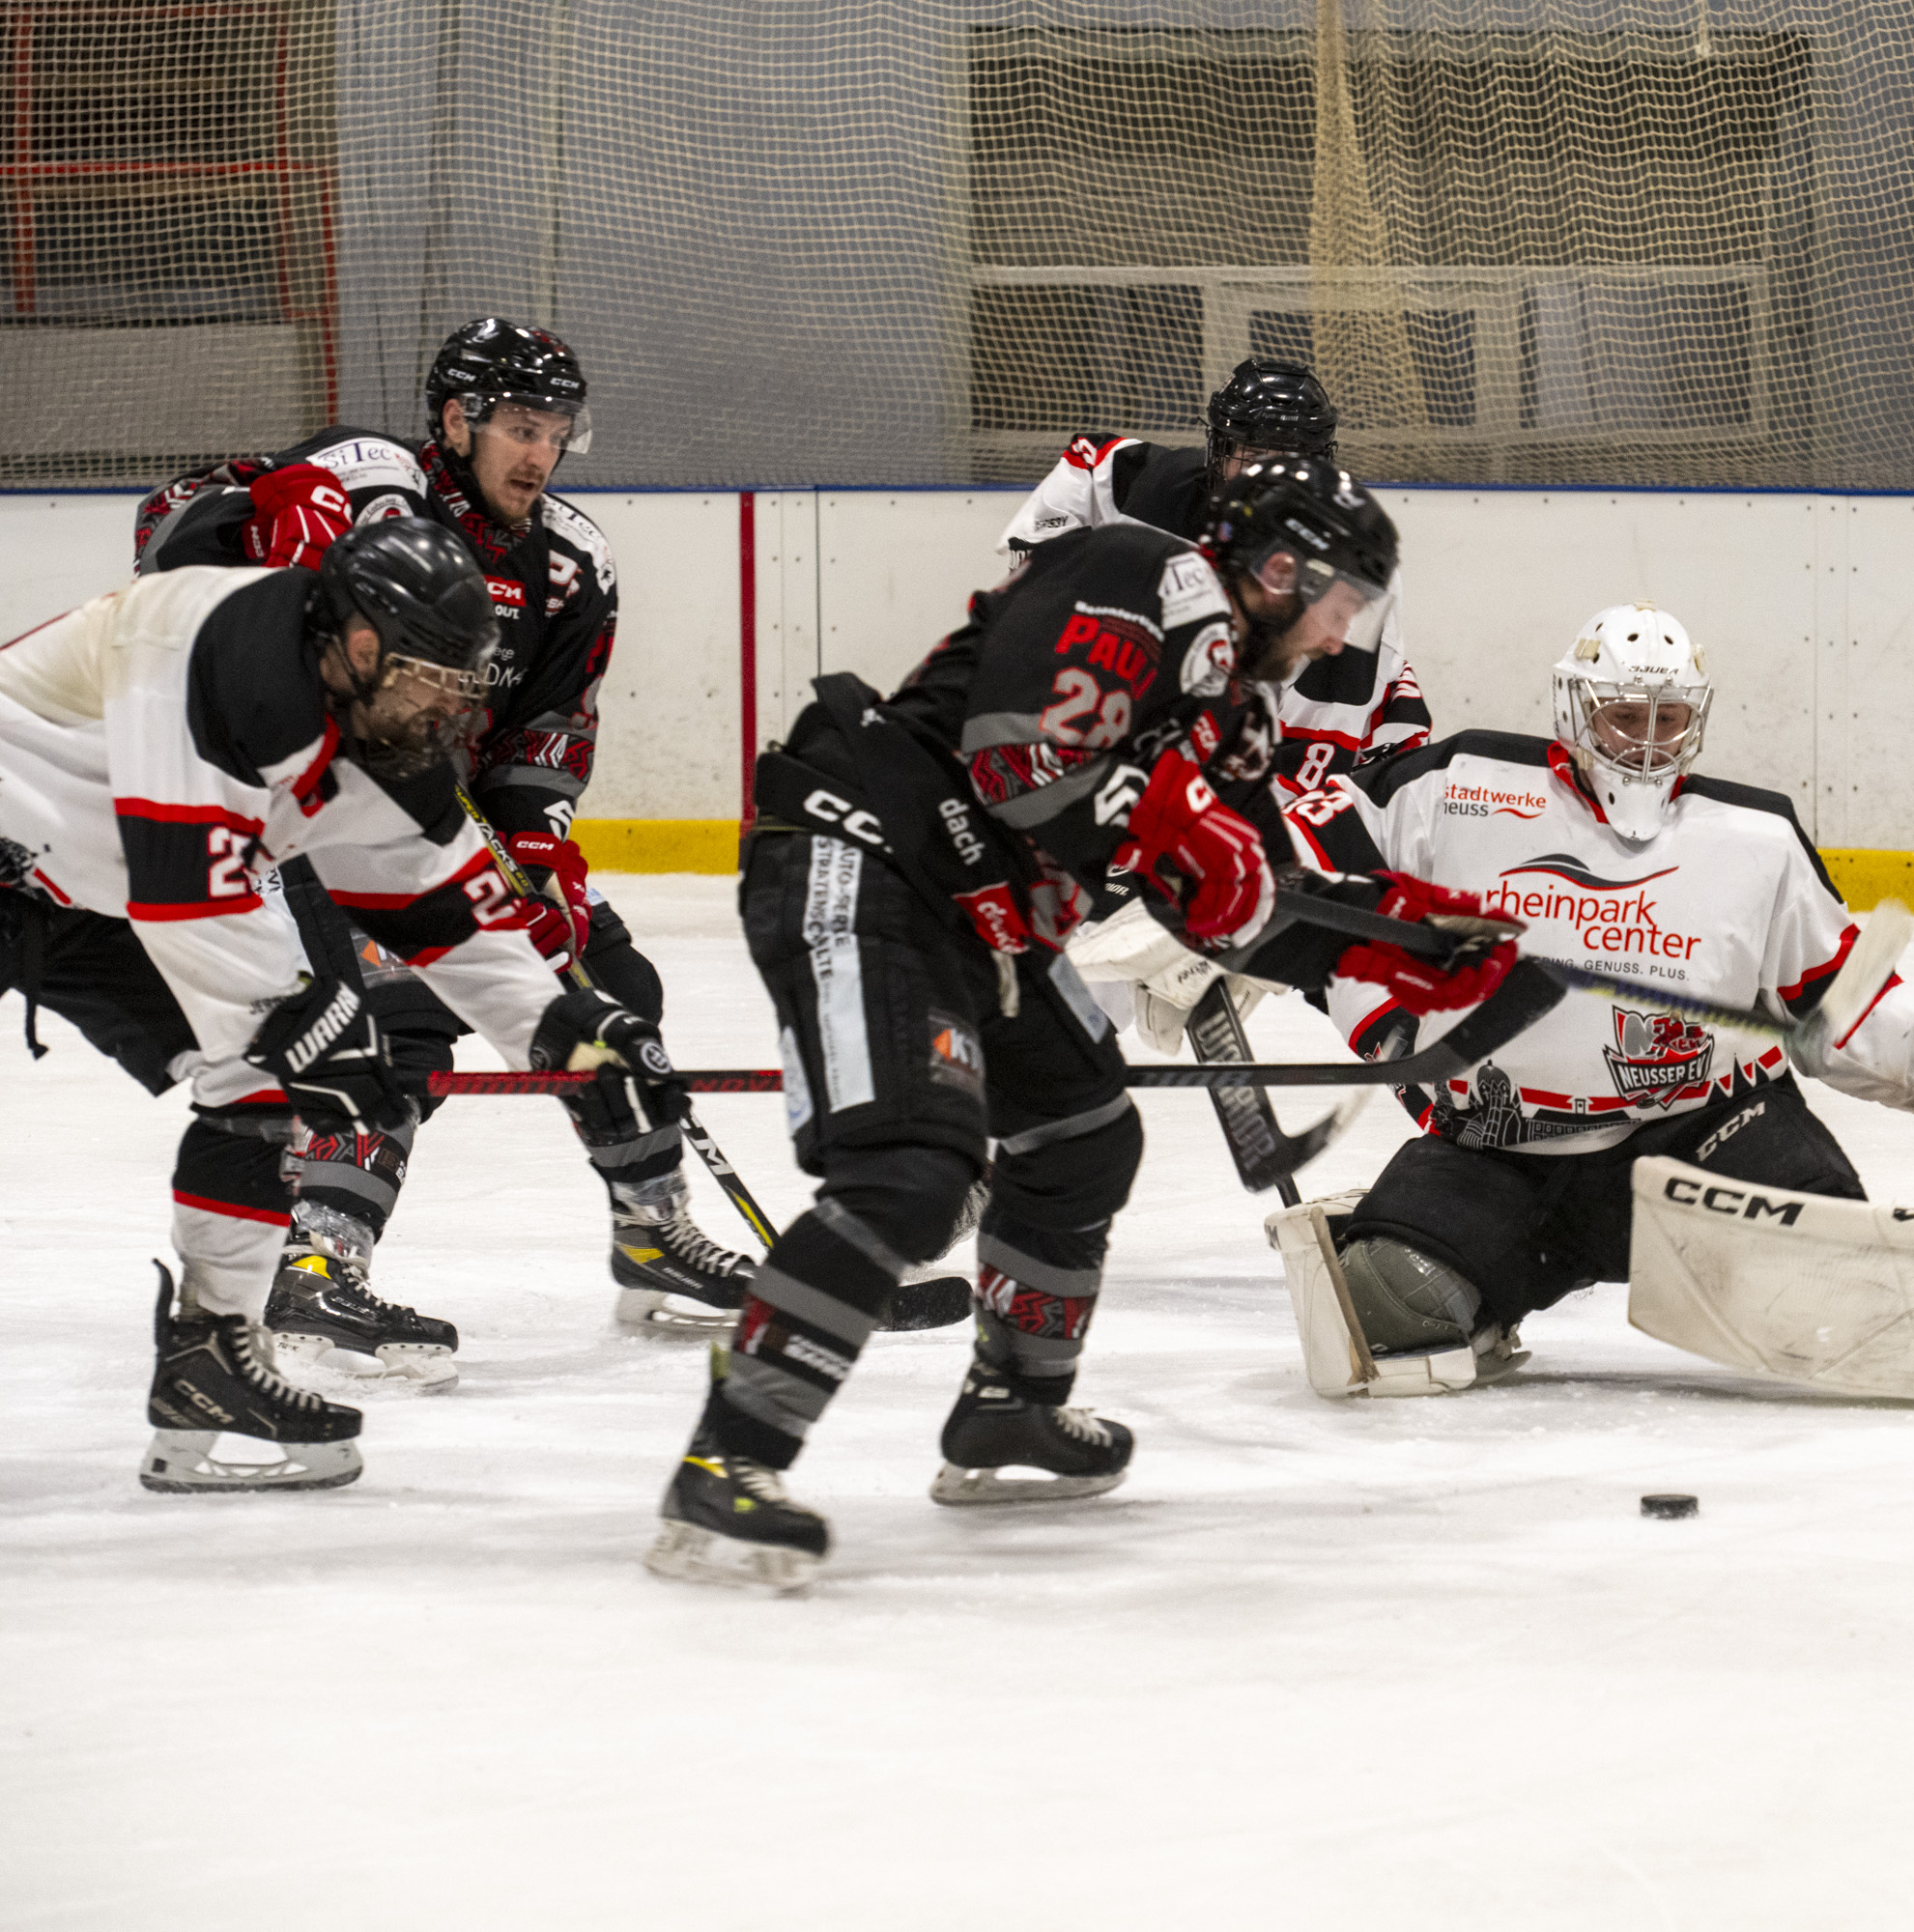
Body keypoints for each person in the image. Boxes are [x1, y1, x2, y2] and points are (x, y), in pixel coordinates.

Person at [644, 459, 1520, 1592]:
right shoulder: (1140, 568)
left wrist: (1398, 941)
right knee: (910, 1172)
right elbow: (1013, 756)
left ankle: (1010, 1407)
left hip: (987, 917)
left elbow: (1245, 901)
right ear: (1280, 563)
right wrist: (1168, 824)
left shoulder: (1236, 717)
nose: (1344, 628)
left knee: (1083, 1134)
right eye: (1343, 595)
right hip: (868, 854)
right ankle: (729, 1459)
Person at [0, 520, 681, 1490]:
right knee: (280, 1042)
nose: (451, 701)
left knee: (255, 1085)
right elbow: (188, 893)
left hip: (72, 888)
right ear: (362, 643)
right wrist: (316, 1025)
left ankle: (210, 1359)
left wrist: (562, 1032)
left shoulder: (372, 713)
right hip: (55, 859)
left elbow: (445, 904)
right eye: (434, 673)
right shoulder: (209, 651)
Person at [129, 318, 752, 1345]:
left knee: (615, 986)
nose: (541, 453)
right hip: (299, 815)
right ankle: (318, 1259)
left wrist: (540, 847)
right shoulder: (374, 489)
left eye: (557, 431)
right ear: (457, 419)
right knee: (397, 1015)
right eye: (519, 426)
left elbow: (548, 729)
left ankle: (651, 1229)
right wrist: (256, 514)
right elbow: (168, 533)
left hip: (425, 817)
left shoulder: (571, 562)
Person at [1267, 602, 1914, 1376]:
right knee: (1388, 1312)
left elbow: (1845, 1003)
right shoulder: (1457, 784)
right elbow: (1299, 843)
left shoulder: (1755, 836)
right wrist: (1216, 923)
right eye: (1623, 715)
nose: (1645, 740)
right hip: (1502, 1152)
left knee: (1829, 1300)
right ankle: (1438, 1257)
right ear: (1576, 711)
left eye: (1668, 717)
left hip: (1705, 1144)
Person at [997, 357, 1430, 794]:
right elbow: (1089, 461)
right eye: (1255, 456)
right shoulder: (1163, 495)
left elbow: (1316, 755)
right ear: (1219, 450)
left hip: (1367, 773)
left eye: (1293, 460)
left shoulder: (1346, 577)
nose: (1270, 479)